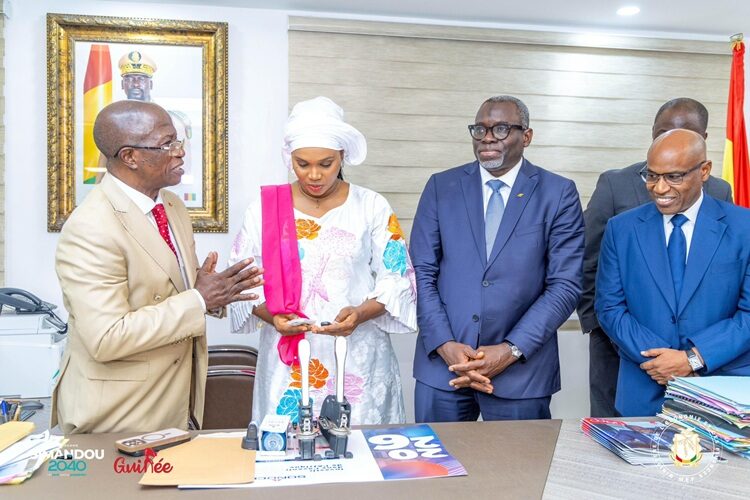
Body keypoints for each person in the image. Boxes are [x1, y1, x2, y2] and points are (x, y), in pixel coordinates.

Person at [53, 100, 263, 434]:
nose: (180, 152)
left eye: (178, 141)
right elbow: (106, 337)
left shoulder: (171, 206)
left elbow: (168, 287)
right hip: (118, 413)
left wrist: (208, 288)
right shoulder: (90, 227)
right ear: (130, 157)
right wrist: (198, 299)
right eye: (167, 144)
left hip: (172, 405)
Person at [229, 96, 417, 425]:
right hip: (289, 361)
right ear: (290, 158)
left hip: (357, 357)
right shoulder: (264, 209)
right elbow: (243, 281)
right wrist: (274, 317)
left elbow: (398, 275)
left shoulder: (370, 205)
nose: (314, 175)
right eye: (303, 164)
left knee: (359, 442)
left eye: (326, 164)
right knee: (288, 444)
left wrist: (360, 314)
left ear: (342, 156)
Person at [410, 95, 584, 422]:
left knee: (521, 459)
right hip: (444, 369)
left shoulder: (558, 193)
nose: (487, 138)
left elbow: (565, 285)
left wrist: (510, 350)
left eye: (501, 129)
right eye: (480, 129)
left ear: (526, 136)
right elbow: (420, 272)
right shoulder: (441, 187)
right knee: (437, 457)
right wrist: (445, 344)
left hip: (521, 373)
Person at [578, 98, 732, 417]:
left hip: (699, 359)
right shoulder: (615, 183)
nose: (661, 187)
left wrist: (694, 356)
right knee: (614, 429)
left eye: (685, 133)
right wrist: (604, 327)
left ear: (703, 140)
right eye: (663, 132)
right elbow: (588, 258)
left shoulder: (719, 191)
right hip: (620, 344)